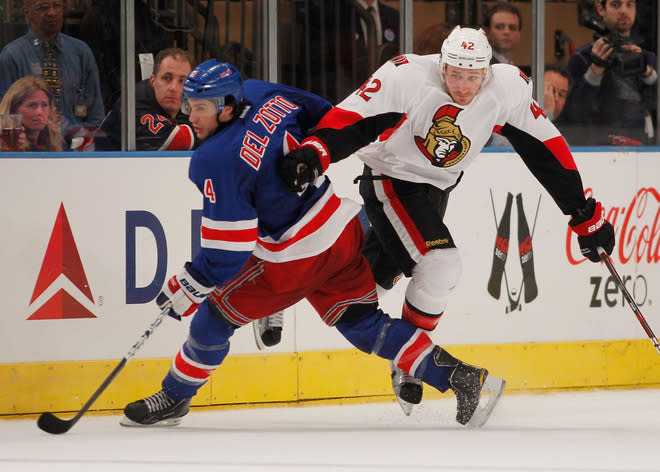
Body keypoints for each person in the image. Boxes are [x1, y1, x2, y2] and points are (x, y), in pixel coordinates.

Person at [120, 59, 506, 429]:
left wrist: (189, 285)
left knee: (212, 318)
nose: (190, 115)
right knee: (363, 324)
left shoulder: (213, 159)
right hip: (339, 232)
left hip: (291, 261)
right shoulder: (262, 92)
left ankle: (174, 396)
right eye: (189, 105)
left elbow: (229, 249)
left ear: (228, 106)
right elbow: (324, 114)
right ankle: (466, 379)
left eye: (201, 107)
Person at [278, 26, 616, 415]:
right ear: (442, 65)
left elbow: (545, 147)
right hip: (392, 178)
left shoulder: (505, 89)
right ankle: (412, 362)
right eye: (454, 73)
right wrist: (315, 152)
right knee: (441, 263)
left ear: (486, 72)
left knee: (365, 284)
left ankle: (282, 289)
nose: (462, 84)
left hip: (435, 189)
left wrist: (583, 214)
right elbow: (353, 117)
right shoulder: (407, 76)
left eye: (472, 76)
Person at [561, 0, 657, 145]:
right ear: (601, 10)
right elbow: (573, 117)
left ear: (636, 10)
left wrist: (647, 73)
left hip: (644, 152)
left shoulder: (649, 59)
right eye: (616, 4)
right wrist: (594, 73)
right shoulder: (582, 59)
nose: (623, 11)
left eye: (629, 5)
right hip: (598, 153)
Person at [0, 0, 105, 132]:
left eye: (57, 6)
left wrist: (85, 143)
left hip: (75, 145)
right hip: (29, 146)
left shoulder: (80, 52)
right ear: (27, 12)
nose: (51, 13)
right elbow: (6, 115)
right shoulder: (12, 56)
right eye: (43, 7)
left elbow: (96, 114)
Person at [96, 48, 197, 151]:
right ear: (153, 80)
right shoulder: (135, 100)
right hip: (99, 164)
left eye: (182, 81)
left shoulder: (186, 101)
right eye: (167, 78)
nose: (173, 88)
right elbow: (179, 141)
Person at [0, 76, 63, 151]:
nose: (39, 112)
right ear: (13, 110)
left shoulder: (53, 144)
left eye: (44, 105)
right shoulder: (4, 145)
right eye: (32, 105)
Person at [484, 2, 529, 75]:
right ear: (487, 33)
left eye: (512, 28)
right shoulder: (482, 67)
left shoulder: (517, 69)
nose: (507, 32)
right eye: (499, 27)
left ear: (519, 34)